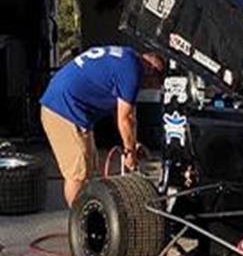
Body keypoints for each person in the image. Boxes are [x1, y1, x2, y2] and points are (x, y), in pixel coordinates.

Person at [39, 46, 166, 207]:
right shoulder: (133, 71)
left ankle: (91, 213)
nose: (146, 88)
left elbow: (120, 111)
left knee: (91, 169)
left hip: (70, 107)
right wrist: (130, 153)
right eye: (151, 85)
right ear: (152, 71)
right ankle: (78, 222)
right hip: (63, 110)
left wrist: (133, 144)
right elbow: (126, 118)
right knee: (78, 173)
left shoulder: (127, 58)